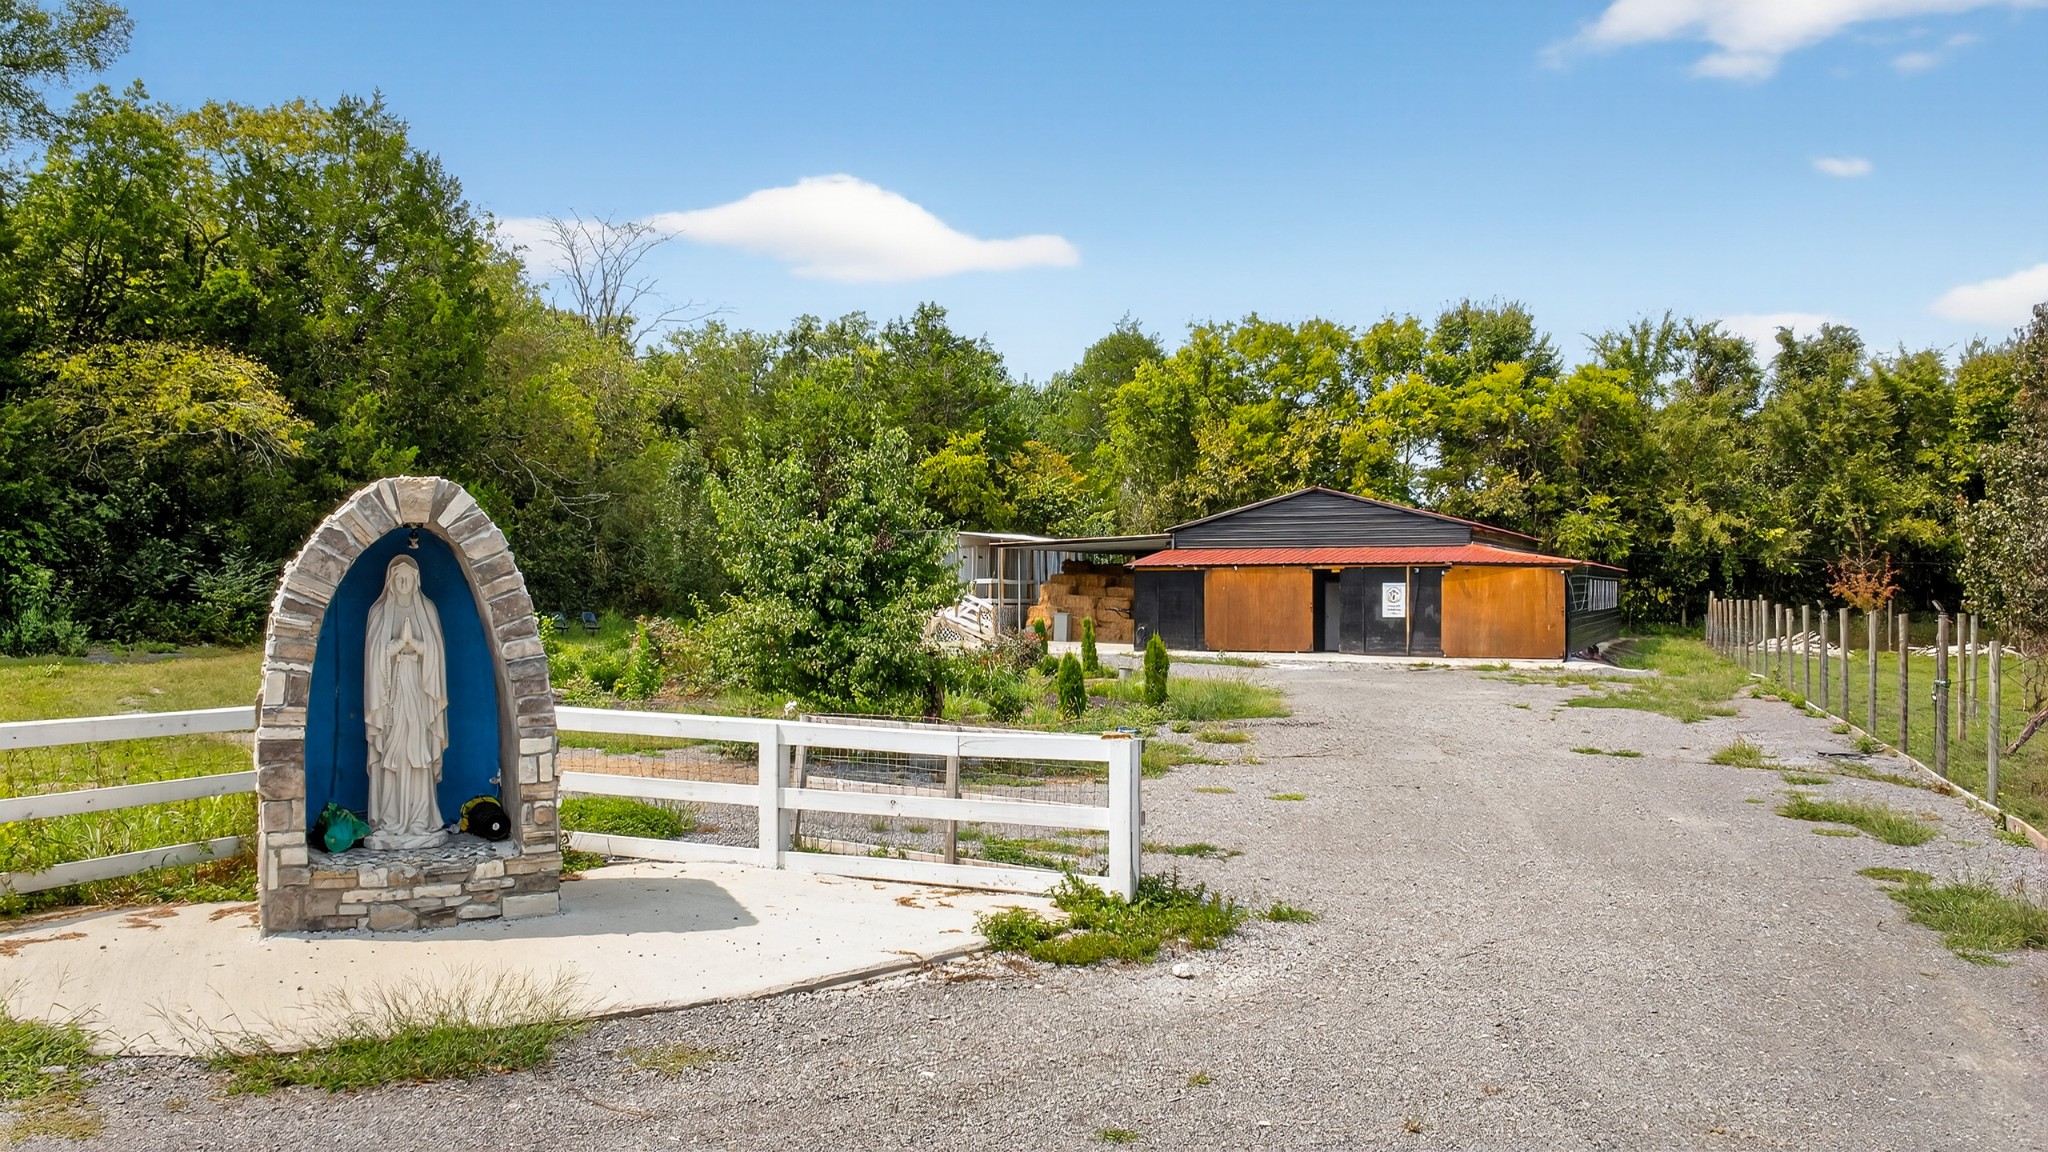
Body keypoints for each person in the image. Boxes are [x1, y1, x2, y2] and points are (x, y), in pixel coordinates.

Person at [362, 555, 450, 849]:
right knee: (393, 756)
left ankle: (420, 820)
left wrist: (417, 646)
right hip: (391, 700)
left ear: (416, 581)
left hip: (419, 698)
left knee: (419, 754)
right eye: (398, 579)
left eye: (408, 579)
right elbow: (374, 658)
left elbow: (436, 655)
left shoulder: (427, 610)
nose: (403, 583)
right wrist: (395, 647)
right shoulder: (379, 612)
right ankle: (390, 820)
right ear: (390, 581)